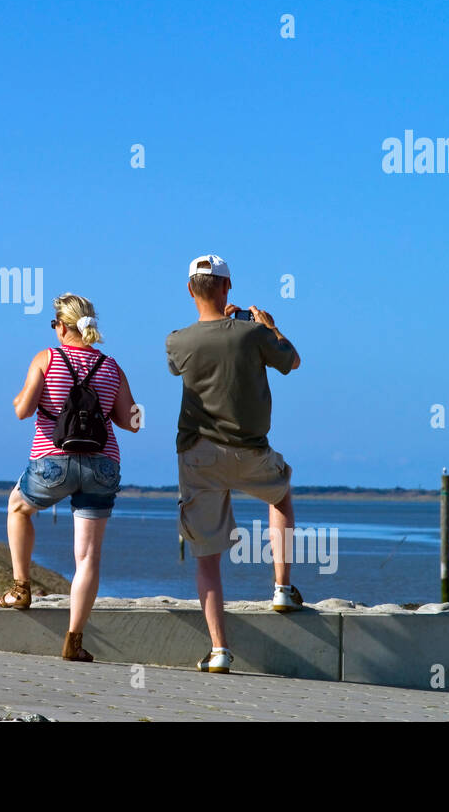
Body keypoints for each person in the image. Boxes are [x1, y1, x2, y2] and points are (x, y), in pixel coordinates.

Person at [167, 254, 302, 675]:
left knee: (207, 556)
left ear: (190, 290)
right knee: (279, 495)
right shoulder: (251, 334)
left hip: (200, 455)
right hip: (250, 450)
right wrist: (268, 326)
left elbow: (183, 364)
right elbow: (292, 361)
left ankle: (220, 650)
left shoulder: (177, 341)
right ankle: (282, 587)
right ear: (227, 288)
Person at [0, 293, 140, 664]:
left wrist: (20, 397)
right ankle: (73, 641)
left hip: (52, 463)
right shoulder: (111, 366)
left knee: (17, 508)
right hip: (102, 466)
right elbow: (132, 422)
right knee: (88, 556)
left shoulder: (47, 358)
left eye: (54, 324)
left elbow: (23, 411)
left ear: (61, 326)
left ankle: (20, 588)